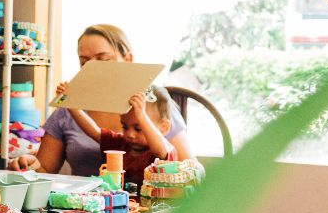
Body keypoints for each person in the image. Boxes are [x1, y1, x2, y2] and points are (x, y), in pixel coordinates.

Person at [11, 24, 194, 175]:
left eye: (103, 60)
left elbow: (191, 168)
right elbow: (43, 170)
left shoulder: (152, 103)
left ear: (128, 60)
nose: (92, 68)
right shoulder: (67, 114)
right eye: (84, 62)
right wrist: (28, 166)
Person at [62, 83, 178, 191]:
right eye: (125, 127)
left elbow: (160, 150)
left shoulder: (164, 151)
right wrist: (70, 104)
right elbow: (94, 132)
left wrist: (142, 116)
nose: (130, 135)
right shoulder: (120, 144)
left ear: (164, 128)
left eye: (139, 128)